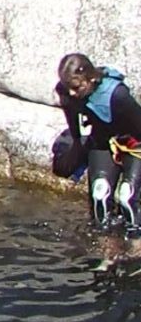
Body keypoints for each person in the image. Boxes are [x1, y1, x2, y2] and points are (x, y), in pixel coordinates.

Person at [54, 54, 141, 233]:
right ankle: (103, 241)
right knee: (100, 194)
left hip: (134, 144)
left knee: (127, 197)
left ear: (91, 79)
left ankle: (135, 241)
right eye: (68, 87)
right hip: (103, 141)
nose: (71, 93)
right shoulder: (66, 92)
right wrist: (77, 148)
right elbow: (73, 121)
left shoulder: (117, 95)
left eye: (76, 87)